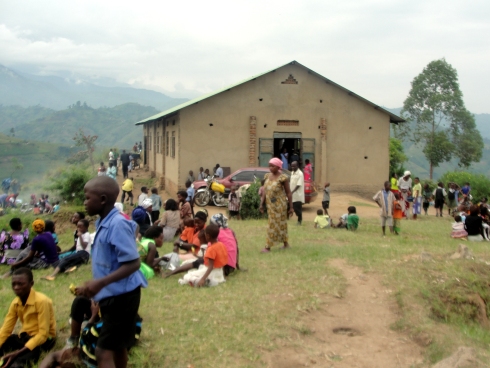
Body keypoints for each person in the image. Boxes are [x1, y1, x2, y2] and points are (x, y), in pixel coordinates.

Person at [75, 176, 147, 368]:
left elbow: (133, 263)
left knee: (102, 350)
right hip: (113, 296)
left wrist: (100, 283)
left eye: (87, 198)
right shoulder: (102, 223)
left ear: (103, 199)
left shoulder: (117, 224)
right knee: (118, 345)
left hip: (123, 298)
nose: (84, 202)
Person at [0, 268, 56, 368]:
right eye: (14, 284)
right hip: (26, 337)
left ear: (31, 284)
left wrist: (17, 353)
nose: (16, 287)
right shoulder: (15, 303)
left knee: (18, 362)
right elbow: (6, 330)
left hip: (43, 340)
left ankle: (17, 362)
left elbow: (43, 334)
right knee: (6, 340)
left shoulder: (42, 301)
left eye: (21, 284)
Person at [259, 157, 294, 252]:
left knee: (273, 224)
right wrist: (261, 204)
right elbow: (265, 191)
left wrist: (291, 207)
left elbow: (288, 193)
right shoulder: (267, 176)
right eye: (269, 166)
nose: (270, 168)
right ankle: (286, 244)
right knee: (280, 224)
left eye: (273, 166)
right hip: (270, 205)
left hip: (280, 205)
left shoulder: (283, 178)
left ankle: (268, 247)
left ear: (278, 167)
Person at [290, 161, 304, 225]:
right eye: (292, 166)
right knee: (290, 207)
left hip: (297, 195)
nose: (292, 167)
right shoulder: (292, 172)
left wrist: (292, 191)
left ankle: (299, 221)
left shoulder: (300, 174)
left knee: (297, 209)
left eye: (294, 166)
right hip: (291, 194)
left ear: (297, 166)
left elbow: (298, 185)